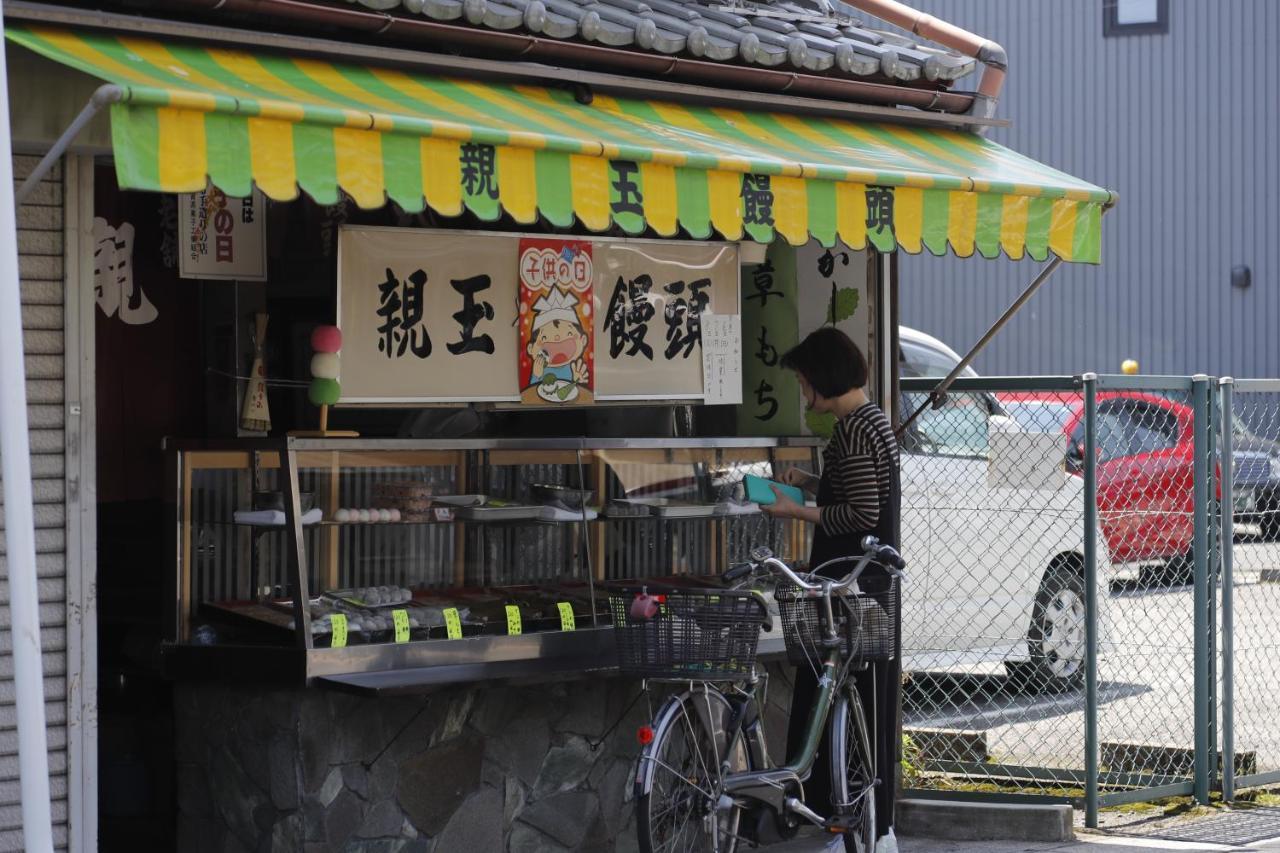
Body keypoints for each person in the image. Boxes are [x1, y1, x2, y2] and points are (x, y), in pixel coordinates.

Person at [761, 326, 900, 847]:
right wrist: (812, 482)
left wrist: (794, 508)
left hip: (848, 583)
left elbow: (862, 512)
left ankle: (841, 824)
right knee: (864, 704)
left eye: (802, 380)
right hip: (870, 584)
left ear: (822, 378)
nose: (802, 391)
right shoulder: (873, 421)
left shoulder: (854, 430)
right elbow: (866, 495)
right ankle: (869, 826)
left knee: (841, 699)